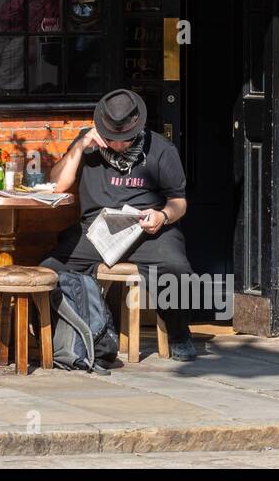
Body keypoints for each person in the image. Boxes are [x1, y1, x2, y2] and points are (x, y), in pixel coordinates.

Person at [40, 88, 199, 361]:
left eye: (124, 139)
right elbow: (58, 185)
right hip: (97, 230)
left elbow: (179, 202)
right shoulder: (87, 145)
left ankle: (179, 333)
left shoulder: (161, 149)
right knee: (49, 270)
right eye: (112, 138)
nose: (117, 144)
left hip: (147, 230)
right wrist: (79, 146)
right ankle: (67, 337)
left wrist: (162, 216)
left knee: (176, 267)